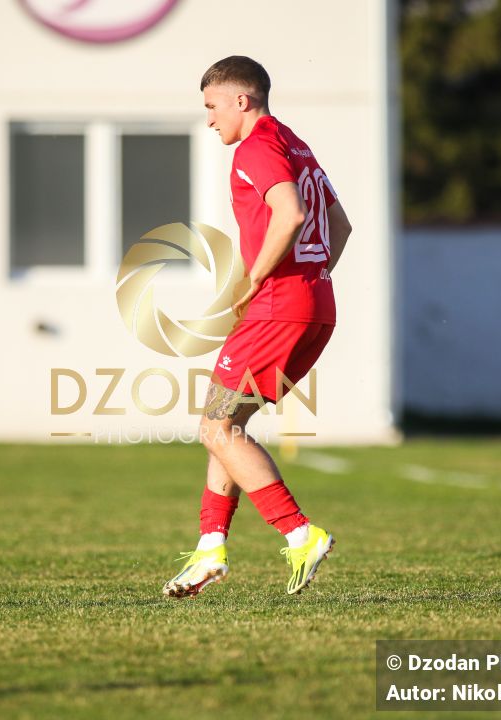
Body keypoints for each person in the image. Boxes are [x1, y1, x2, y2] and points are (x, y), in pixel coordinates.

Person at [163, 56, 353, 597]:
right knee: (227, 430)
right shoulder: (294, 142)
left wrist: (257, 283)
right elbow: (339, 225)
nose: (208, 120)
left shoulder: (256, 147)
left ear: (240, 101)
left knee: (215, 428)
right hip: (316, 304)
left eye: (211, 106)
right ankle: (209, 551)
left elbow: (289, 213)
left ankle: (299, 534)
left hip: (277, 306)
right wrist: (310, 281)